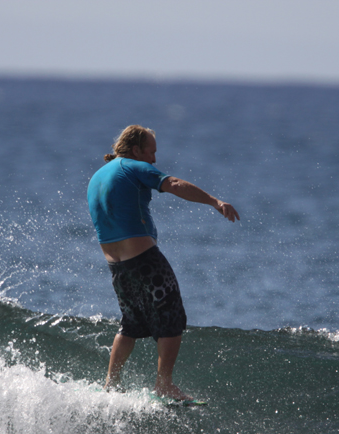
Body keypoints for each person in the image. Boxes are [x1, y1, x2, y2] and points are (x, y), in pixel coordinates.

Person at [87, 125, 240, 400]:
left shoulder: (96, 178)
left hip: (117, 268)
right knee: (172, 313)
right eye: (151, 152)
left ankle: (112, 382)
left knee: (130, 323)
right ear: (136, 150)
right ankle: (164, 384)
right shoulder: (132, 166)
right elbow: (174, 184)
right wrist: (215, 202)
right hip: (144, 260)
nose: (154, 160)